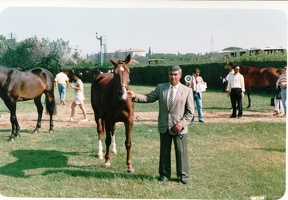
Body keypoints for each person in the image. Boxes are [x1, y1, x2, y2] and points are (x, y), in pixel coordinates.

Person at [127, 65, 194, 185]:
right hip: (164, 126)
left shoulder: (187, 91)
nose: (173, 77)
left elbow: (190, 112)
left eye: (175, 74)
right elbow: (148, 97)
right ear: (168, 75)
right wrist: (135, 96)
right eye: (171, 74)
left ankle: (183, 176)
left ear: (180, 76)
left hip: (179, 129)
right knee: (164, 152)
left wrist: (182, 124)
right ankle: (164, 175)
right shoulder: (161, 87)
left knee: (181, 152)